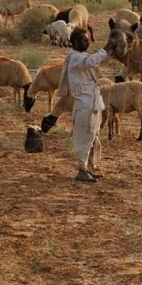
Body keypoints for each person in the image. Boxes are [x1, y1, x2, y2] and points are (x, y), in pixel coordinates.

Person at [50, 28, 108, 182]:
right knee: (84, 139)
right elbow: (91, 61)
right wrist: (107, 48)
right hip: (84, 105)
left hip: (92, 103)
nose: (87, 42)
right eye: (84, 40)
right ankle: (82, 171)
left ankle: (89, 168)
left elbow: (94, 60)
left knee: (93, 138)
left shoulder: (82, 57)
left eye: (87, 39)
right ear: (75, 42)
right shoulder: (75, 58)